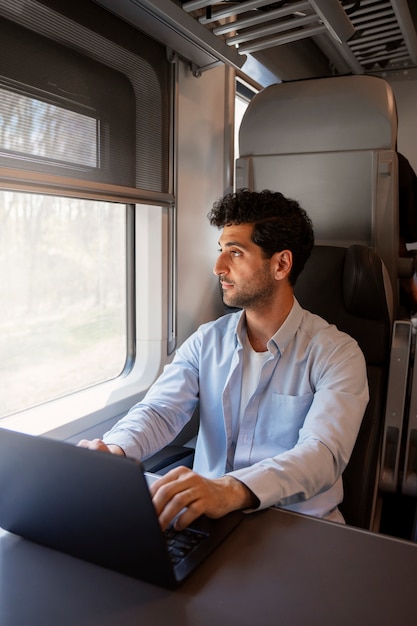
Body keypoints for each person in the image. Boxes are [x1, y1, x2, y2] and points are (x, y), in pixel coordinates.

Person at [78, 189, 369, 531]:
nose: (218, 267)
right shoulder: (207, 340)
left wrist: (230, 489)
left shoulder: (337, 353)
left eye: (235, 252)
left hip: (300, 526)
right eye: (220, 251)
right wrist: (116, 451)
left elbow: (322, 455)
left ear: (281, 264)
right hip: (207, 520)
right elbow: (160, 411)